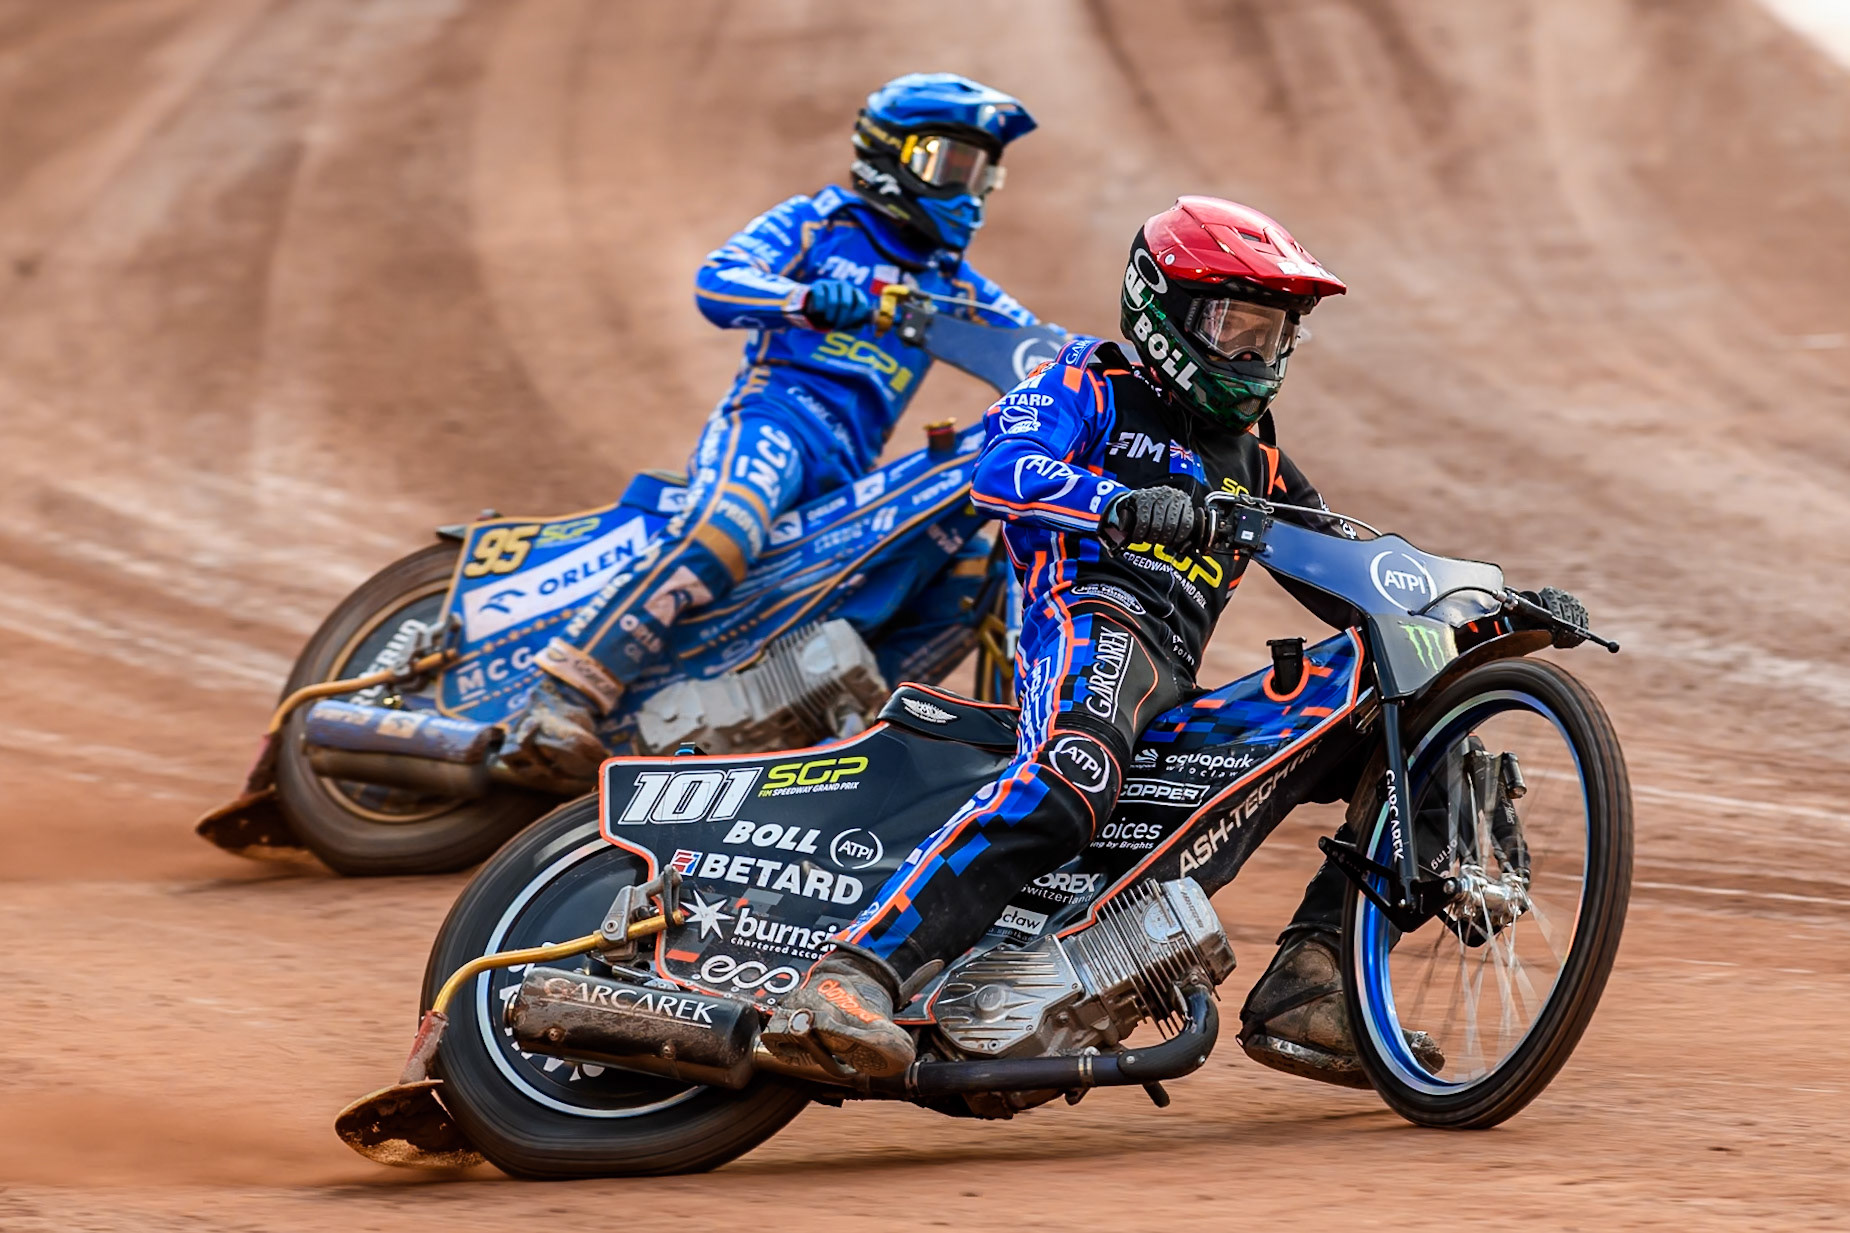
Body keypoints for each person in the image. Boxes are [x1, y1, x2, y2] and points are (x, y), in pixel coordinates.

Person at [770, 195, 1362, 1077]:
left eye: (1272, 335)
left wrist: (1475, 598)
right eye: (1234, 327)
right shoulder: (1088, 384)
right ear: (1162, 311)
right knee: (1073, 773)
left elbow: (1350, 572)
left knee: (1405, 713)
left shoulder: (1262, 464)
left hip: (1173, 690)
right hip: (1091, 622)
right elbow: (1001, 469)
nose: (1252, 355)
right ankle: (853, 973)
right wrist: (1119, 505)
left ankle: (1314, 983)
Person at [495, 73, 1039, 792]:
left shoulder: (955, 286)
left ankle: (863, 758)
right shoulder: (820, 224)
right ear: (892, 156)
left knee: (977, 566)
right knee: (727, 524)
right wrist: (805, 299)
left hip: (851, 475)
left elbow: (1039, 352)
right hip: (776, 421)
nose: (970, 188)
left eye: (983, 171)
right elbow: (717, 281)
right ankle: (563, 693)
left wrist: (1129, 386)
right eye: (952, 163)